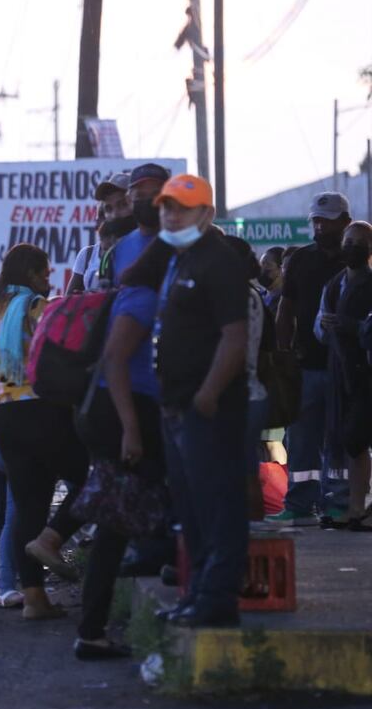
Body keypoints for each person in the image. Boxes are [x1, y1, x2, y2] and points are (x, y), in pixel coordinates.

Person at [151, 174, 249, 628]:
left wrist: (208, 395)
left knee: (217, 505)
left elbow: (235, 337)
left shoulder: (221, 262)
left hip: (209, 409)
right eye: (167, 206)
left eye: (183, 208)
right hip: (176, 409)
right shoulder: (179, 261)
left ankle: (218, 598)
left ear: (206, 214)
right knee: (190, 509)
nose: (172, 215)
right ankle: (199, 594)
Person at [0, 243, 88, 619]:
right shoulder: (37, 309)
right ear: (30, 274)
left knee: (29, 504)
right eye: (44, 273)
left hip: (0, 415)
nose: (48, 279)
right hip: (40, 409)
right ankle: (52, 538)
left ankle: (34, 598)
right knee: (94, 480)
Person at [73, 241, 169, 659]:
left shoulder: (132, 294)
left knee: (124, 520)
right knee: (118, 524)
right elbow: (116, 360)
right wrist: (132, 428)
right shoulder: (143, 298)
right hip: (128, 412)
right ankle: (91, 630)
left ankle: (93, 628)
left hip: (121, 410)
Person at [270, 192, 352, 525]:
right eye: (316, 220)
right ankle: (299, 505)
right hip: (306, 367)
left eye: (327, 220)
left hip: (346, 368)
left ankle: (339, 502)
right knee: (301, 439)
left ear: (345, 222)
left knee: (340, 439)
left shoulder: (357, 262)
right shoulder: (302, 260)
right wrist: (283, 351)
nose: (320, 227)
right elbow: (285, 308)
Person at [315, 221, 372, 531]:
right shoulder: (335, 284)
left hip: (364, 372)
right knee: (348, 440)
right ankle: (352, 506)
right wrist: (326, 326)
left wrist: (351, 325)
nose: (352, 247)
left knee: (356, 439)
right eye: (348, 242)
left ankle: (357, 506)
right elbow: (320, 328)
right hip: (341, 372)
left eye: (359, 243)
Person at [222, 236, 270, 521]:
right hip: (249, 393)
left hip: (241, 394)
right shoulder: (246, 293)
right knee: (245, 467)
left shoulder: (238, 295)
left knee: (242, 470)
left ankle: (250, 534)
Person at [107, 163, 171, 281]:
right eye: (140, 195)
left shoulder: (183, 244)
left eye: (156, 194)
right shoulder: (118, 249)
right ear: (129, 200)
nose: (148, 201)